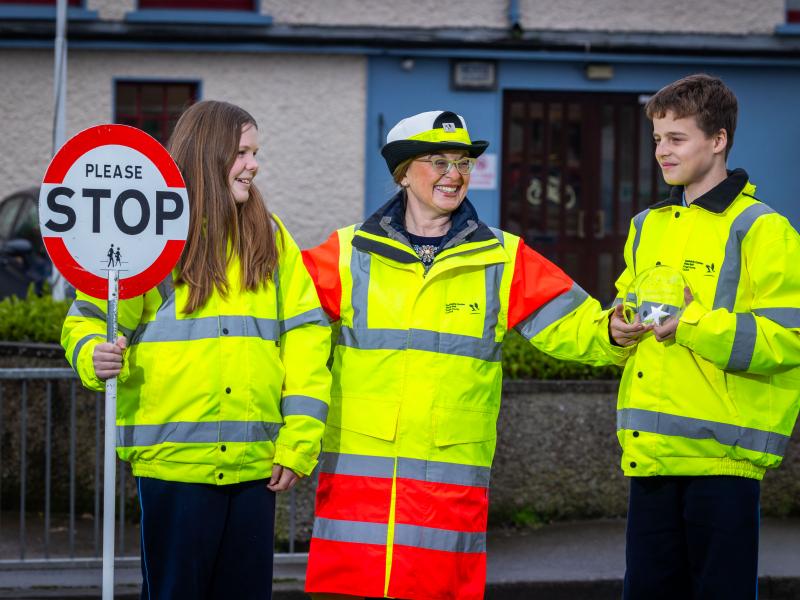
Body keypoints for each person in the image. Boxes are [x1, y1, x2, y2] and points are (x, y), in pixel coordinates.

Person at [302, 110, 628, 600]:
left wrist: (617, 333)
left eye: (463, 163)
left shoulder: (502, 256)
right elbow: (278, 313)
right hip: (356, 501)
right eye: (438, 161)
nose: (454, 175)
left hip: (445, 499)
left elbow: (579, 326)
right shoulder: (349, 253)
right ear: (403, 173)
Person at [61, 100, 332, 600]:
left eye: (256, 153)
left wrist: (299, 445)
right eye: (243, 152)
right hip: (173, 465)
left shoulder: (270, 238)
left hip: (256, 468)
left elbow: (307, 337)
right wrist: (92, 355)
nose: (254, 165)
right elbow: (89, 319)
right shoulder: (149, 235)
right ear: (208, 154)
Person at [608, 74, 800, 599]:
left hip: (724, 463)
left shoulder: (764, 229)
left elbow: (790, 341)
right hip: (651, 458)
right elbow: (628, 304)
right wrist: (616, 328)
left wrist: (692, 325)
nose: (662, 152)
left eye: (676, 138)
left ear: (718, 140)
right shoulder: (647, 225)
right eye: (656, 139)